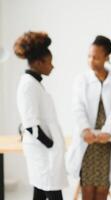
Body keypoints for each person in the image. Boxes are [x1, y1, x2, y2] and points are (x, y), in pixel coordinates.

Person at [66, 35, 111, 200]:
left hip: (107, 141)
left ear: (106, 57)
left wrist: (107, 132)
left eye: (96, 57)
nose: (91, 60)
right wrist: (85, 130)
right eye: (89, 56)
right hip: (88, 140)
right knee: (87, 190)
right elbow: (77, 107)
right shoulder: (81, 80)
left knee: (102, 190)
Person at [15, 31, 68, 200]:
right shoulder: (28, 85)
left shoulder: (34, 83)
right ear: (38, 62)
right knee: (51, 190)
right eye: (49, 63)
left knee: (41, 190)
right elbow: (30, 123)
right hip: (43, 151)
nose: (52, 66)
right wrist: (50, 144)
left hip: (43, 152)